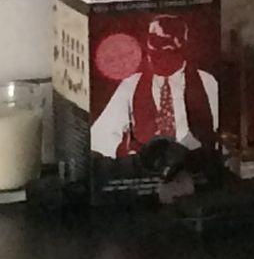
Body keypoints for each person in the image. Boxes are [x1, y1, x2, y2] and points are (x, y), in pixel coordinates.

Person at [87, 15, 220, 157]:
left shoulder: (206, 81)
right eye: (152, 41)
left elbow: (219, 132)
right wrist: (123, 149)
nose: (156, 51)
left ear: (180, 44)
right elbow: (99, 135)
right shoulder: (131, 85)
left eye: (163, 42)